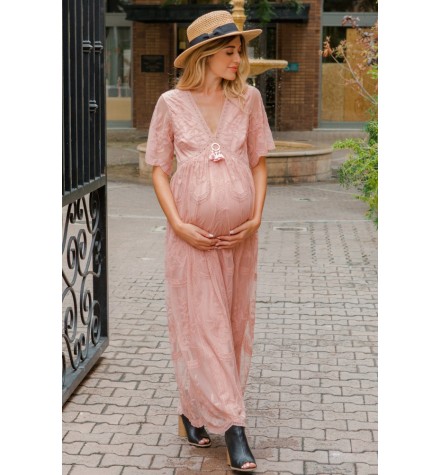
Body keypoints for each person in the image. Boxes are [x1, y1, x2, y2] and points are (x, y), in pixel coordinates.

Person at [145, 10, 275, 472]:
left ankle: (193, 412)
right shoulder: (171, 103)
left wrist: (255, 217)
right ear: (205, 55)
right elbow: (159, 169)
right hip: (192, 240)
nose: (238, 59)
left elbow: (259, 162)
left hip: (239, 239)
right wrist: (178, 224)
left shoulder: (249, 100)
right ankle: (235, 428)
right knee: (202, 328)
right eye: (229, 51)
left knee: (231, 326)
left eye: (239, 51)